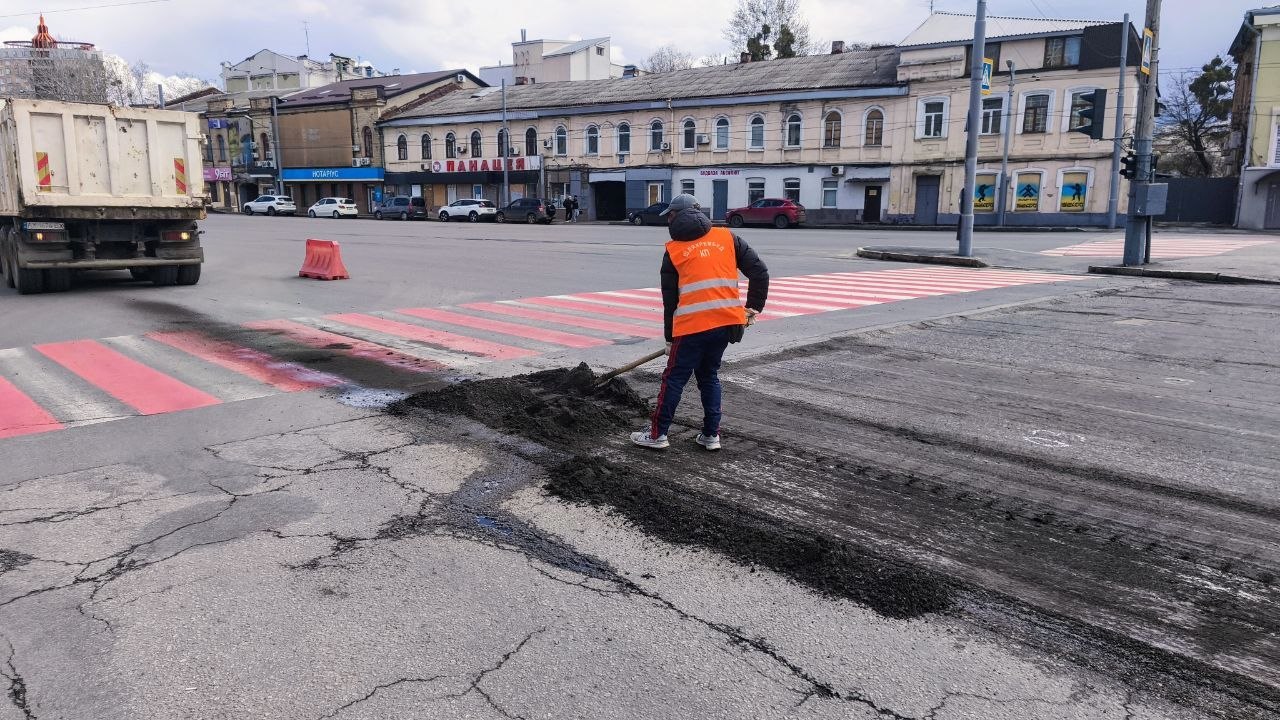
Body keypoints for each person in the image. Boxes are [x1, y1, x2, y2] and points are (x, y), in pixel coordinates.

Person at [630, 193, 769, 452]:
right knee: (708, 376)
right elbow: (760, 272)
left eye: (669, 214)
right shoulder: (728, 238)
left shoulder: (674, 250)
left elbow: (669, 301)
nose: (668, 219)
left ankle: (657, 435)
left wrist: (670, 338)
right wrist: (753, 308)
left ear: (676, 215)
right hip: (726, 323)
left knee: (674, 379)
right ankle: (710, 436)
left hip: (691, 326)